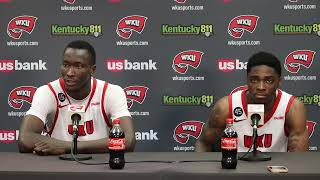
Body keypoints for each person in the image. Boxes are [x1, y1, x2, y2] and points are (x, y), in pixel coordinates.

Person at [18, 40, 136, 155]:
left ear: (92, 69)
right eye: (66, 65)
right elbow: (25, 138)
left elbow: (128, 140)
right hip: (57, 165)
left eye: (78, 66)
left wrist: (69, 147)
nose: (69, 72)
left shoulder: (111, 92)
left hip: (100, 165)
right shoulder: (47, 92)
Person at [196, 51, 309, 152]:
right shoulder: (226, 106)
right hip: (236, 171)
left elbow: (299, 158)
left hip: (274, 171)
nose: (260, 87)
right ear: (247, 80)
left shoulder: (292, 107)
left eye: (268, 80)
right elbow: (203, 143)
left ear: (279, 82)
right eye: (254, 80)